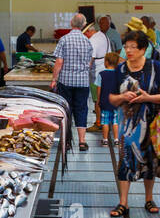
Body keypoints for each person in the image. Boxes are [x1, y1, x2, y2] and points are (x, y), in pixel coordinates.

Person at [109, 30, 160, 217]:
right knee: (125, 159)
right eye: (126, 47)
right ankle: (123, 202)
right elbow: (111, 99)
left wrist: (148, 97)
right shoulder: (119, 70)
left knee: (150, 161)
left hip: (151, 121)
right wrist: (121, 96)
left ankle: (149, 198)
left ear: (143, 49)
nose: (128, 50)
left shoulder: (155, 67)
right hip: (127, 123)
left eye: (133, 47)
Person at [51, 13, 94, 152]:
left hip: (66, 81)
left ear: (71, 23)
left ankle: (66, 142)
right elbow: (89, 62)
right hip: (82, 82)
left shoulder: (64, 39)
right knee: (81, 109)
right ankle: (82, 142)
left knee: (66, 110)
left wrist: (54, 79)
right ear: (83, 25)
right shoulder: (87, 41)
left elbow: (59, 62)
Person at [85, 21, 109, 133]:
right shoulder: (102, 35)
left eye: (86, 33)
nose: (85, 36)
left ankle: (98, 123)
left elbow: (90, 60)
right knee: (103, 98)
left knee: (97, 99)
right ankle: (105, 122)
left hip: (97, 73)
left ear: (91, 31)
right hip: (106, 70)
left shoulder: (93, 40)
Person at [97, 50, 122, 145]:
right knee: (116, 122)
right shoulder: (118, 74)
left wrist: (98, 100)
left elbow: (99, 89)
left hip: (105, 101)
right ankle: (116, 139)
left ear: (106, 62)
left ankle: (105, 139)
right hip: (116, 101)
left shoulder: (101, 74)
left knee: (105, 121)